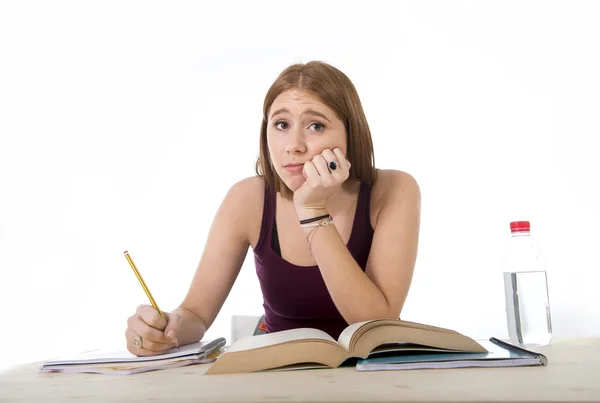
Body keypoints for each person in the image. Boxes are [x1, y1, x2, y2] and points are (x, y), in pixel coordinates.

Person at [125, 61, 421, 356]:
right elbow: (196, 314)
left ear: (350, 133)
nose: (294, 145)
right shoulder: (247, 198)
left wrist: (313, 211)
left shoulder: (394, 189)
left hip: (370, 384)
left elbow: (376, 325)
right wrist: (167, 327)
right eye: (281, 125)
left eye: (315, 125)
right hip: (281, 380)